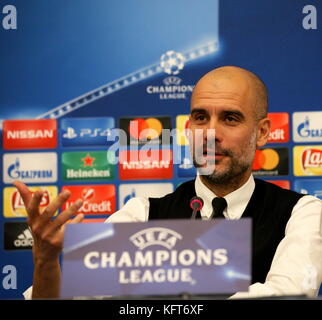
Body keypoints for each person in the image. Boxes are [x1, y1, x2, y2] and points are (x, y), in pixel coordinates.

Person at [15, 66, 322, 299]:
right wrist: (45, 261)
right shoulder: (141, 214)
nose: (210, 133)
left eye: (230, 118)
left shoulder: (303, 212)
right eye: (201, 117)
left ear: (264, 132)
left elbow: (290, 293)